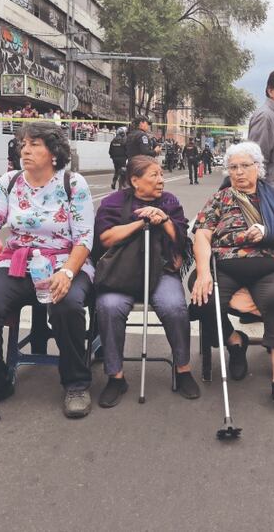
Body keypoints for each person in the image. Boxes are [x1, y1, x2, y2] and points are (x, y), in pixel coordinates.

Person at [0, 121, 96, 419]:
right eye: (24, 144)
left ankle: (76, 383)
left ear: (54, 152)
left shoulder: (73, 184)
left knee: (67, 305)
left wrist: (68, 273)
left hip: (65, 261)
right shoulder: (9, 181)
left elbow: (84, 239)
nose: (26, 150)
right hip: (18, 260)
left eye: (35, 144)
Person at [190, 141, 274, 419]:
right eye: (233, 167)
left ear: (258, 167)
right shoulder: (220, 198)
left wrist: (267, 231)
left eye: (245, 166)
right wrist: (204, 272)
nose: (239, 172)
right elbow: (203, 234)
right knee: (203, 296)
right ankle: (234, 341)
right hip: (227, 265)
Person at [93, 156, 200, 407]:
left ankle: (182, 369)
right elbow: (106, 239)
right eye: (154, 175)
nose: (161, 180)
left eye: (162, 174)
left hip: (161, 272)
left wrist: (163, 219)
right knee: (108, 307)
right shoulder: (113, 202)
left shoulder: (170, 201)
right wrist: (141, 222)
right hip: (120, 274)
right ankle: (115, 376)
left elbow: (181, 239)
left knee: (174, 307)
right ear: (134, 180)